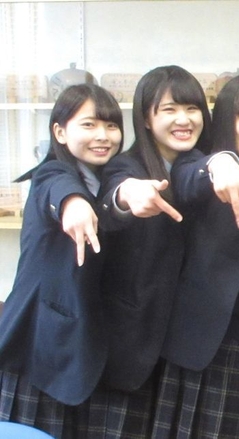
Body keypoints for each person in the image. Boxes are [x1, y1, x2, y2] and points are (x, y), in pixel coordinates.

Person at [152, 74, 239, 438]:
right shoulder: (197, 165)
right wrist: (221, 164)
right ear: (226, 118)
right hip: (200, 340)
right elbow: (188, 178)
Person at [94, 65, 212, 438]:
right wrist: (128, 197)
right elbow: (115, 195)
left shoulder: (204, 167)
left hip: (187, 349)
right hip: (132, 346)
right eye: (170, 110)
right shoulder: (126, 165)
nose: (184, 120)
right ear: (146, 118)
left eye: (192, 108)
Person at [0, 84, 123, 438]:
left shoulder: (106, 180)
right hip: (39, 349)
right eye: (89, 125)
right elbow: (59, 188)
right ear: (60, 132)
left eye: (111, 125)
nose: (103, 135)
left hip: (79, 353)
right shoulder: (52, 174)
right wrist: (73, 204)